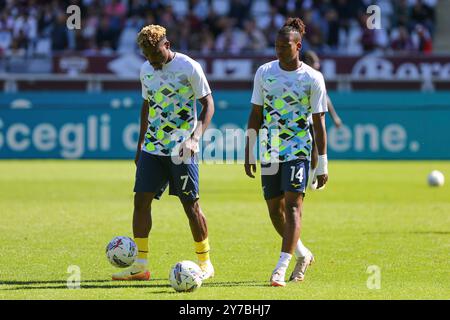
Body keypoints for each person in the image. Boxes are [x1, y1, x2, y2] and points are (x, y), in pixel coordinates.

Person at [112, 25, 215, 281]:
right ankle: (141, 265)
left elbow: (208, 104)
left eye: (156, 56)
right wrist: (139, 146)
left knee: (191, 206)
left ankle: (205, 263)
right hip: (152, 147)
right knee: (140, 201)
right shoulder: (146, 70)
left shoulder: (189, 67)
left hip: (182, 148)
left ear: (166, 45)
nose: (153, 62)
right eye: (147, 57)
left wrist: (194, 138)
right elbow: (146, 107)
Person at [244, 18, 329, 287]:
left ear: (298, 46)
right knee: (274, 211)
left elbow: (318, 122)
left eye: (285, 46)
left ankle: (280, 267)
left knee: (293, 207)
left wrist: (323, 163)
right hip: (269, 150)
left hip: (298, 150)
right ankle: (303, 254)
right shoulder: (264, 73)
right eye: (277, 46)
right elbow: (256, 114)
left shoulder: (312, 78)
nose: (279, 50)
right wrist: (249, 150)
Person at [303, 50, 342, 185]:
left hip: (310, 119)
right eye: (315, 62)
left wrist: (334, 117)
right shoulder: (301, 75)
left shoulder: (316, 77)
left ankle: (311, 177)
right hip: (301, 120)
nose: (318, 65)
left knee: (314, 149)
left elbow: (325, 99)